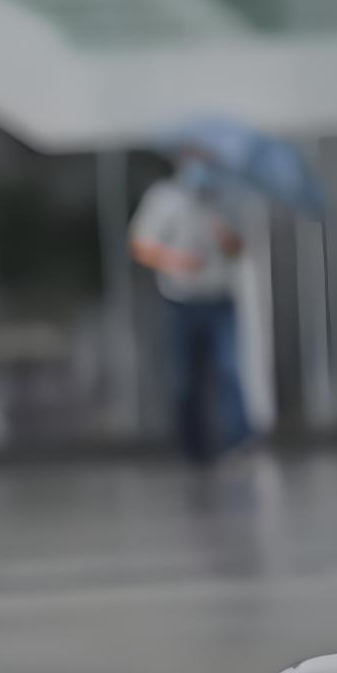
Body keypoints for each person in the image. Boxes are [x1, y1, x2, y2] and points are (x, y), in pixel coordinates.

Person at [129, 153, 252, 462]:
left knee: (228, 370)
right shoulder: (164, 198)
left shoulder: (224, 197)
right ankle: (194, 450)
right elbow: (140, 246)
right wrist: (177, 260)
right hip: (180, 302)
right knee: (185, 378)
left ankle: (237, 442)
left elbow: (239, 249)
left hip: (220, 298)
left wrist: (227, 238)